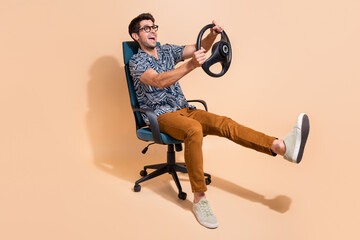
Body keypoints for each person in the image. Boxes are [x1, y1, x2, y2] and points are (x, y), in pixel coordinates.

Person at [128, 13, 310, 229]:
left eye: (154, 27)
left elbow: (198, 49)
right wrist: (190, 66)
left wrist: (213, 35)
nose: (152, 31)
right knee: (194, 130)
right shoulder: (136, 61)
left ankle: (281, 146)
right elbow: (158, 81)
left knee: (225, 123)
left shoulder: (167, 50)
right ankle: (200, 199)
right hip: (160, 115)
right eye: (146, 28)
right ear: (135, 35)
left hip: (185, 108)